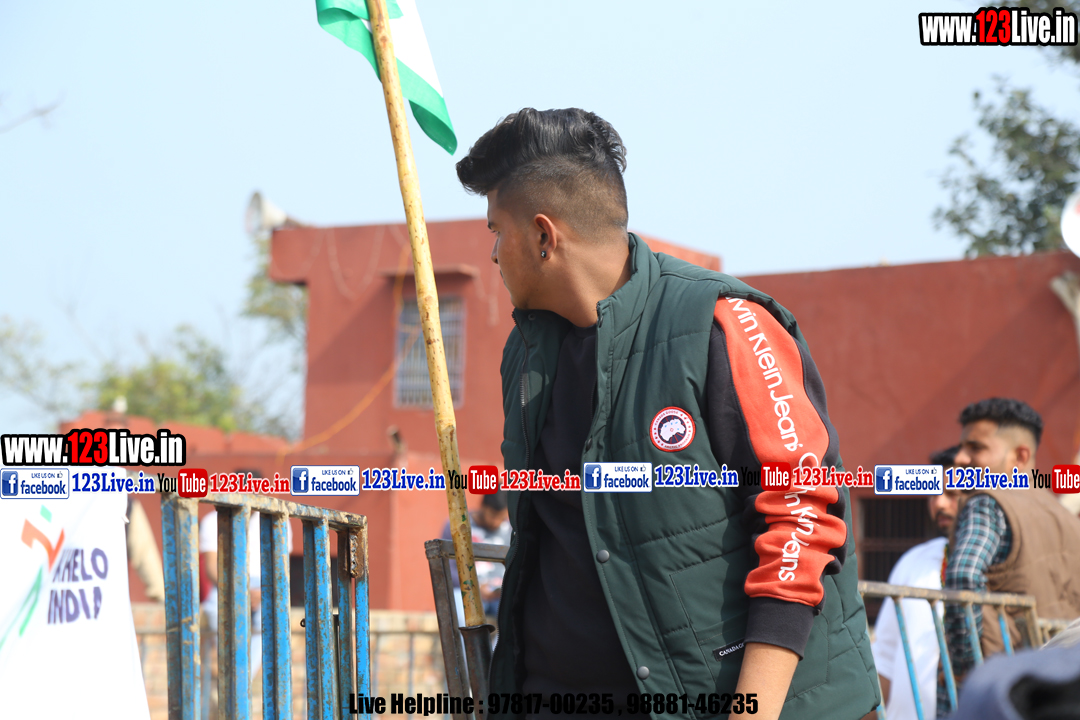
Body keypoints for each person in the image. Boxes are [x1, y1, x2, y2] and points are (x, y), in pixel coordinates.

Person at [455, 108, 879, 719]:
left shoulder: (722, 322)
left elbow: (802, 517)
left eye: (497, 231)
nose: (494, 255)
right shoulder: (525, 356)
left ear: (545, 236)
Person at [943, 398, 1080, 706]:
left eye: (975, 448)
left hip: (998, 691)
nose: (960, 459)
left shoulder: (988, 502)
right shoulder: (1067, 517)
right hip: (1058, 692)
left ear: (1020, 456)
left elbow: (963, 577)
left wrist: (966, 670)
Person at [871, 446, 958, 720]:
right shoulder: (914, 560)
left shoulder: (1002, 568)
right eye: (934, 491)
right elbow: (884, 658)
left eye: (952, 492)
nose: (939, 503)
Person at [199, 505, 293, 720]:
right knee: (226, 667)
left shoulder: (277, 519)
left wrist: (262, 591)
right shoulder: (213, 519)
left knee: (243, 673)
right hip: (225, 589)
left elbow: (282, 567)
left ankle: (230, 705)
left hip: (264, 592)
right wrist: (240, 590)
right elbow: (212, 567)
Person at [440, 490, 512, 623]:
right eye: (493, 516)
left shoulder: (510, 530)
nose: (496, 522)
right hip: (467, 590)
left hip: (499, 595)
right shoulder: (458, 525)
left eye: (501, 518)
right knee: (463, 614)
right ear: (483, 507)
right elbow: (448, 568)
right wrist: (475, 587)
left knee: (515, 616)